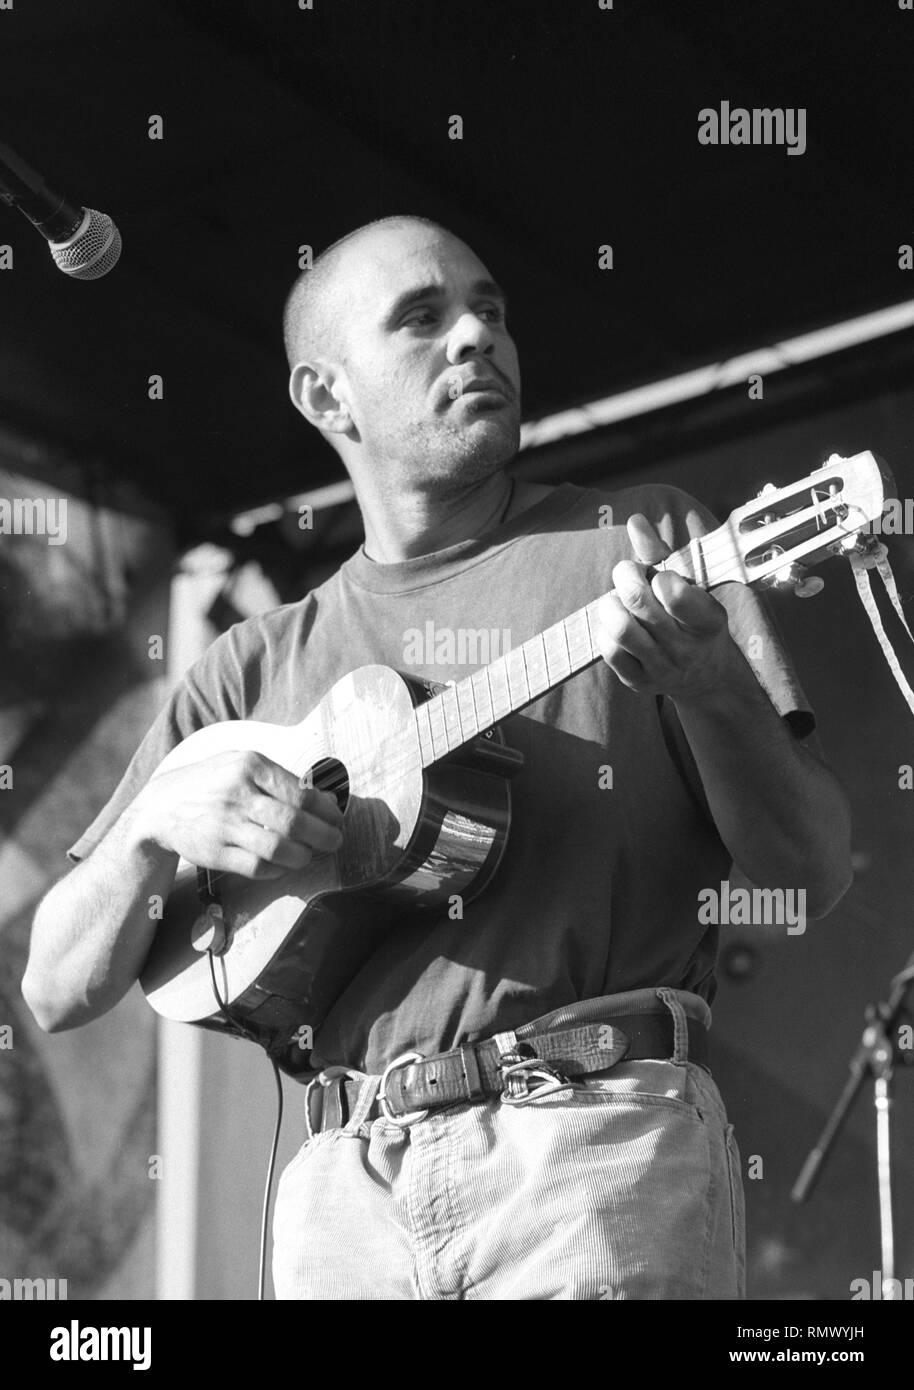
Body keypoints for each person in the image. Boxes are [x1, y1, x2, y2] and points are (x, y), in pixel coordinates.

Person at [23, 215, 852, 1300]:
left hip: (591, 1150)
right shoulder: (248, 669)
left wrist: (704, 682)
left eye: (491, 311)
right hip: (340, 1187)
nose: (475, 337)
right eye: (422, 318)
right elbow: (52, 987)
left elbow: (811, 873)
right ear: (327, 398)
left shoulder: (642, 547)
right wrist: (147, 831)